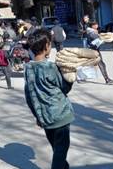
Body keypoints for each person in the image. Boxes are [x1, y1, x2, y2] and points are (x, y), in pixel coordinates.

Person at [24, 29, 74, 169]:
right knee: (61, 150)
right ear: (46, 46)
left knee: (57, 150)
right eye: (50, 44)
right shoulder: (51, 67)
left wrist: (37, 115)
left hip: (44, 117)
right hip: (60, 116)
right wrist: (70, 78)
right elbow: (65, 88)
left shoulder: (28, 69)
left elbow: (29, 96)